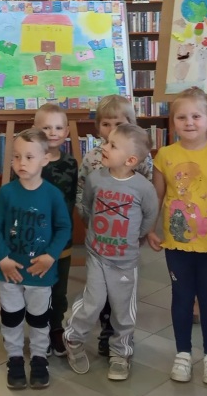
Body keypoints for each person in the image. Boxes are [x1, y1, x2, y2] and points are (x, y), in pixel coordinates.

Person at [149, 86, 207, 385]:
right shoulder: (165, 155)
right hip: (177, 244)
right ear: (173, 122)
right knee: (181, 296)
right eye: (182, 117)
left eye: (196, 116)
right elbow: (157, 196)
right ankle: (183, 353)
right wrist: (149, 228)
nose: (189, 122)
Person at [64, 124, 157, 381]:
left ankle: (120, 352)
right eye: (107, 142)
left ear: (131, 160)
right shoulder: (95, 178)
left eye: (112, 145)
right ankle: (73, 338)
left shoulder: (143, 188)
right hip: (97, 254)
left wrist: (136, 238)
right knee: (93, 302)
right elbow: (87, 206)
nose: (104, 146)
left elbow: (150, 217)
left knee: (123, 309)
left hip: (125, 261)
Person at [0, 129, 72, 390]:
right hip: (10, 271)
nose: (21, 163)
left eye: (29, 157)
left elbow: (64, 228)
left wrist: (51, 256)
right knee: (11, 317)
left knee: (39, 318)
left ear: (45, 159)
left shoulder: (52, 194)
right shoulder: (6, 193)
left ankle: (38, 358)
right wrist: (2, 258)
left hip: (40, 273)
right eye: (16, 157)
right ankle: (14, 358)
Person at [76, 94, 154, 356]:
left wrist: (139, 232)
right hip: (99, 236)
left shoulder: (141, 159)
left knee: (121, 289)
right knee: (99, 288)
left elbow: (148, 196)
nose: (111, 130)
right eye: (106, 124)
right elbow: (83, 192)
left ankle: (121, 335)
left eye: (118, 124)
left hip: (125, 239)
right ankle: (106, 329)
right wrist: (88, 220)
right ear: (98, 127)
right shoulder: (92, 159)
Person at [11, 103, 77, 357]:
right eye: (46, 127)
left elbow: (73, 199)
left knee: (59, 290)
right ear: (35, 130)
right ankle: (39, 329)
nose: (53, 132)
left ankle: (56, 328)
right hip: (33, 240)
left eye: (59, 127)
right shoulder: (27, 162)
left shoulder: (71, 163)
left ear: (66, 132)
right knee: (37, 288)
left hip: (61, 242)